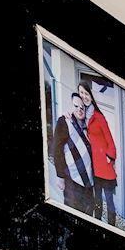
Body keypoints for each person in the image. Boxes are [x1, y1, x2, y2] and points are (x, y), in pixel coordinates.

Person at [48, 86, 96, 218]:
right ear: (71, 106)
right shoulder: (64, 121)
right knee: (72, 211)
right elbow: (57, 150)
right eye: (76, 106)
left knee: (88, 211)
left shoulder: (88, 124)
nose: (79, 109)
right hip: (71, 179)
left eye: (82, 107)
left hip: (88, 180)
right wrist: (60, 177)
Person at [77, 83, 121, 227]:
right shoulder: (83, 115)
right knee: (97, 200)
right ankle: (97, 224)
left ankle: (112, 227)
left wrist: (109, 158)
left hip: (104, 167)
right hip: (94, 167)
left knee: (109, 201)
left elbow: (110, 142)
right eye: (81, 93)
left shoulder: (98, 116)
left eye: (86, 93)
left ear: (91, 95)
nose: (84, 96)